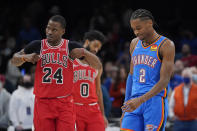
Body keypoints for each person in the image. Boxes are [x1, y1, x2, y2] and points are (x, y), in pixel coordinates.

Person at [11, 15, 102, 131]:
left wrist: (85, 52)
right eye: (48, 28)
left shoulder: (70, 47)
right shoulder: (37, 45)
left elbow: (97, 65)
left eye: (54, 30)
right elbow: (14, 60)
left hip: (64, 103)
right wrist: (24, 57)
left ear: (62, 31)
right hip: (42, 102)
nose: (49, 32)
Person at [120, 9, 175, 131]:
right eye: (133, 29)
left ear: (150, 23)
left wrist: (141, 100)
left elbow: (164, 81)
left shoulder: (166, 45)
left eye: (138, 28)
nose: (135, 32)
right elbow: (131, 75)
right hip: (134, 101)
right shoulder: (134, 43)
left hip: (154, 102)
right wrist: (126, 104)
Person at [73, 30, 108, 131]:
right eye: (95, 45)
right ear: (87, 42)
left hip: (93, 109)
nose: (96, 50)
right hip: (75, 108)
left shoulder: (97, 65)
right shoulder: (72, 60)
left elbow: (98, 90)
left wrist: (103, 114)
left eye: (99, 48)